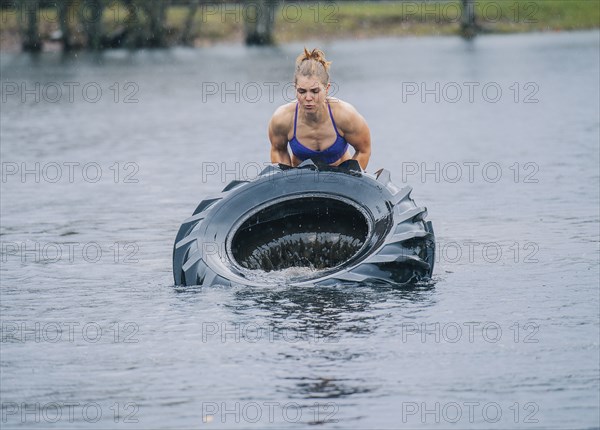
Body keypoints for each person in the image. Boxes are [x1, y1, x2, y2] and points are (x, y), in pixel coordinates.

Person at [268, 48, 371, 171]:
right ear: (295, 89)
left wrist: (351, 180)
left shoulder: (346, 115)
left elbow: (364, 150)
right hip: (301, 179)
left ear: (326, 89)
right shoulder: (282, 119)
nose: (308, 98)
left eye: (315, 91)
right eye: (302, 91)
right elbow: (279, 151)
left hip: (341, 179)